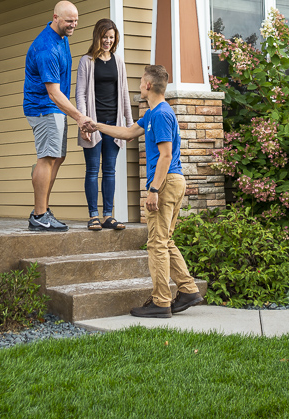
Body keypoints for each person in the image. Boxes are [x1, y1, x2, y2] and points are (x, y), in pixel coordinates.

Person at [84, 65, 203, 317]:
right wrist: (98, 126)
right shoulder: (152, 113)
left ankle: (161, 302)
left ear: (148, 85)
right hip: (171, 181)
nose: (138, 86)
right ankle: (189, 290)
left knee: (156, 244)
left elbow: (166, 154)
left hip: (166, 182)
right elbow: (127, 133)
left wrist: (154, 189)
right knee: (164, 240)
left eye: (140, 82)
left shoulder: (161, 114)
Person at [23, 1, 94, 232]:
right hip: (44, 107)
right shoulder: (47, 48)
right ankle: (39, 215)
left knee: (56, 158)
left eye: (76, 21)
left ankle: (42, 209)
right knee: (47, 157)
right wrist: (79, 117)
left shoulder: (62, 38)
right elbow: (53, 92)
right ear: (55, 17)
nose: (73, 25)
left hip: (55, 108)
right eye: (68, 21)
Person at [76, 19, 134, 231]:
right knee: (92, 170)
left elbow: (125, 95)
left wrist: (130, 124)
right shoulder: (87, 61)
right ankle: (93, 216)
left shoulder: (118, 62)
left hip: (114, 125)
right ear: (97, 37)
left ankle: (108, 215)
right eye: (105, 36)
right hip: (93, 125)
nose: (108, 40)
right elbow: (80, 94)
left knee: (109, 170)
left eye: (111, 37)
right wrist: (84, 123)